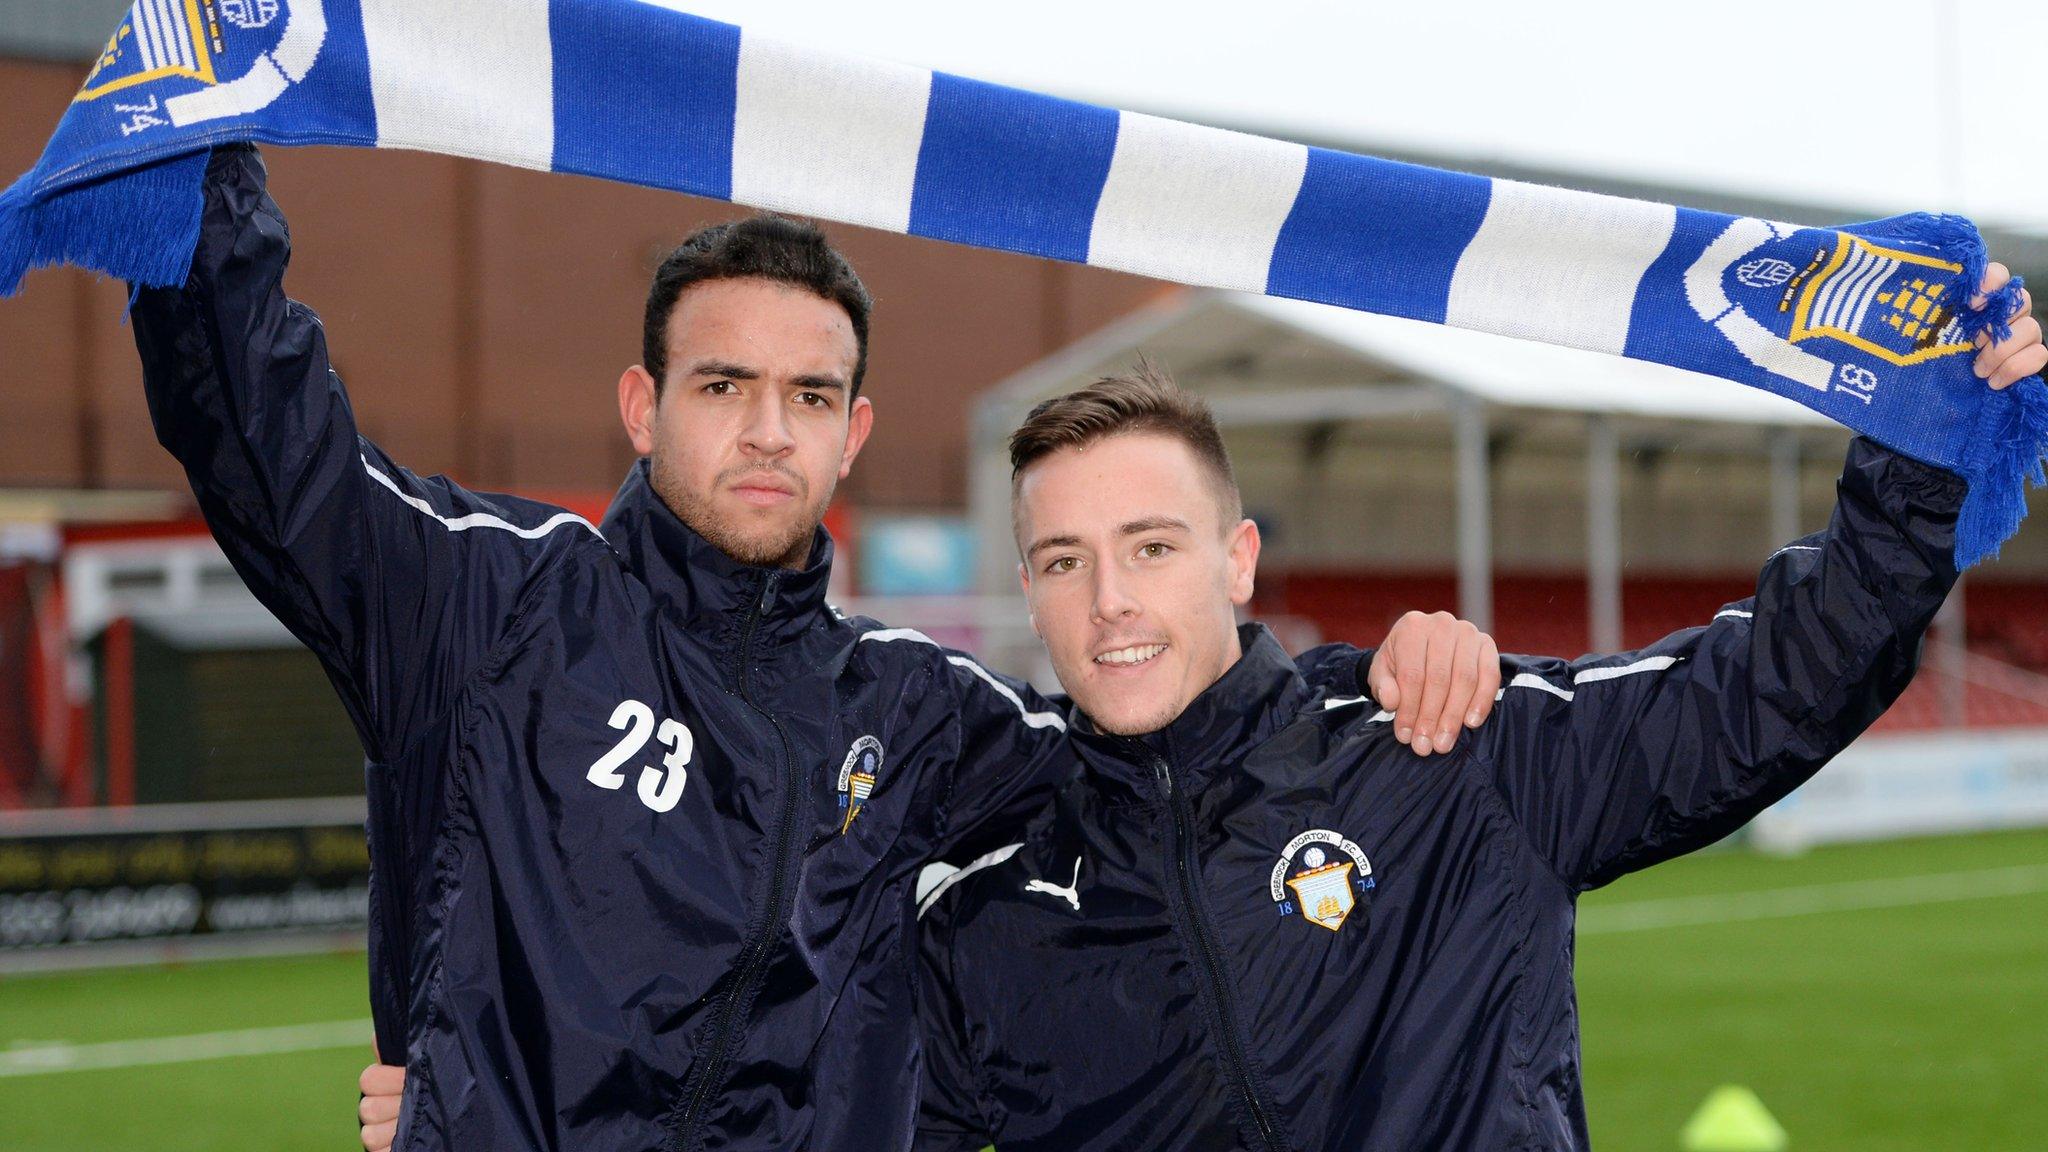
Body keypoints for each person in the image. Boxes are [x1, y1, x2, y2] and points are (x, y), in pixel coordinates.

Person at [129, 144, 1495, 1152]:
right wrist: (202, 159)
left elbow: (1167, 738)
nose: (768, 429)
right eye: (724, 387)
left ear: (853, 432)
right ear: (643, 406)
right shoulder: (493, 605)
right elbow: (267, 439)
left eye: (809, 395)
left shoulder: (912, 710)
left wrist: (1377, 673)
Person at [907, 321, 2037, 1152]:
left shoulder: (1440, 746)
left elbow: (1762, 687)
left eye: (1150, 546)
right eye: (1065, 561)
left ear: (1237, 559)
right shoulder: (981, 909)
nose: (1107, 599)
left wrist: (1917, 452)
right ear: (1025, 585)